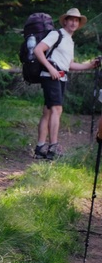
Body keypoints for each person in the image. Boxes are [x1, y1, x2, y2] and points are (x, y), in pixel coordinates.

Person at [33, 8, 100, 160]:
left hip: (60, 77)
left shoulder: (70, 41)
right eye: (71, 19)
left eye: (76, 20)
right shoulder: (56, 34)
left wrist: (90, 65)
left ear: (79, 23)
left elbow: (69, 65)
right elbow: (38, 50)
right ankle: (53, 147)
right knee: (57, 109)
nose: (73, 22)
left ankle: (40, 147)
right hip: (51, 76)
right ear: (65, 21)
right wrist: (50, 69)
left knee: (48, 111)